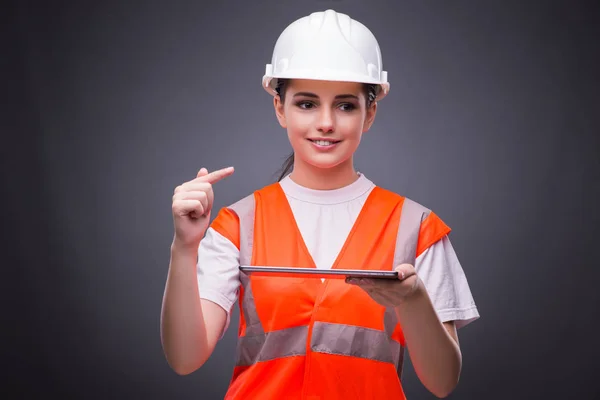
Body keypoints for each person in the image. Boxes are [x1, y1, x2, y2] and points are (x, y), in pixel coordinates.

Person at [161, 9, 479, 399]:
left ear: (370, 113)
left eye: (345, 105)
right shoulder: (237, 224)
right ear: (280, 108)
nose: (326, 122)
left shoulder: (417, 226)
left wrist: (413, 301)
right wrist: (184, 248)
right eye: (307, 104)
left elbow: (443, 382)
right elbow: (184, 358)